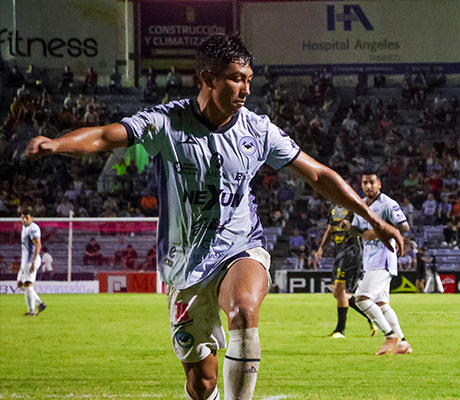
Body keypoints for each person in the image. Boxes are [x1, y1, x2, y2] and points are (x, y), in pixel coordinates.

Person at [25, 34, 403, 400]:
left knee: (243, 309)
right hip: (183, 264)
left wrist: (374, 219)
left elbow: (318, 175)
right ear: (208, 79)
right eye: (236, 79)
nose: (246, 90)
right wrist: (57, 144)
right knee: (202, 385)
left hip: (240, 247)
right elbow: (106, 136)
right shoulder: (167, 123)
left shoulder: (258, 130)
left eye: (249, 80)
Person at [349, 171, 411, 356]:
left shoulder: (388, 204)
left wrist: (377, 232)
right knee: (382, 303)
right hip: (369, 259)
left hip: (383, 257)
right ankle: (402, 343)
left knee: (361, 299)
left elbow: (404, 226)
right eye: (365, 183)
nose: (368, 186)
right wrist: (349, 227)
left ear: (379, 184)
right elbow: (357, 229)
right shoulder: (361, 204)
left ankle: (390, 335)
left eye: (372, 183)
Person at [317, 205, 375, 338]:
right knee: (339, 294)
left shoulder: (353, 209)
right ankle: (372, 316)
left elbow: (364, 231)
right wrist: (321, 247)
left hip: (352, 252)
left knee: (341, 290)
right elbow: (330, 230)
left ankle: (340, 331)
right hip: (339, 253)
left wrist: (350, 227)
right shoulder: (332, 209)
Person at [18, 210, 46, 316]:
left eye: (26, 217)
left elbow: (38, 245)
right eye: (22, 217)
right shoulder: (24, 227)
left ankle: (31, 311)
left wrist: (33, 262)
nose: (24, 219)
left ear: (32, 218)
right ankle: (40, 303)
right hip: (25, 261)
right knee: (20, 284)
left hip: (31, 261)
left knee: (28, 285)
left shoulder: (33, 228)